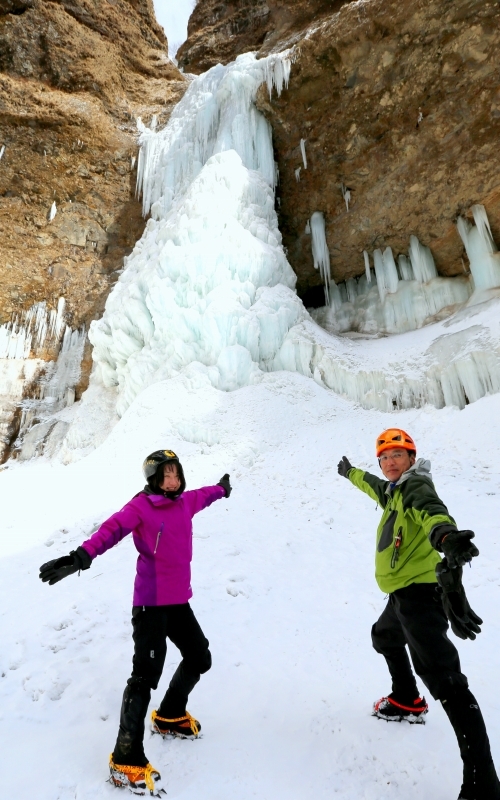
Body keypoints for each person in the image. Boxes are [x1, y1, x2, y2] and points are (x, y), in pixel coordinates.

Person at [40, 449, 231, 797]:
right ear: (154, 478)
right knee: (144, 676)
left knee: (199, 657)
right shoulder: (140, 507)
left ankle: (170, 715)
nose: (173, 480)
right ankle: (125, 757)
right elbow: (111, 530)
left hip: (178, 602)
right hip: (150, 605)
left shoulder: (184, 502)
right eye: (166, 475)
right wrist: (79, 557)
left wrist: (221, 489)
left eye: (176, 474)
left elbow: (203, 496)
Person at [337, 428, 500, 800]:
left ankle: (483, 783)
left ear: (412, 458)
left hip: (421, 597)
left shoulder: (414, 487)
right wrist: (351, 473)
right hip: (401, 595)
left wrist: (446, 537)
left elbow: (431, 512)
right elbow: (374, 485)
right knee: (384, 636)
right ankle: (406, 699)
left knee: (448, 684)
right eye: (384, 457)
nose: (390, 462)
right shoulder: (393, 490)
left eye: (398, 454)